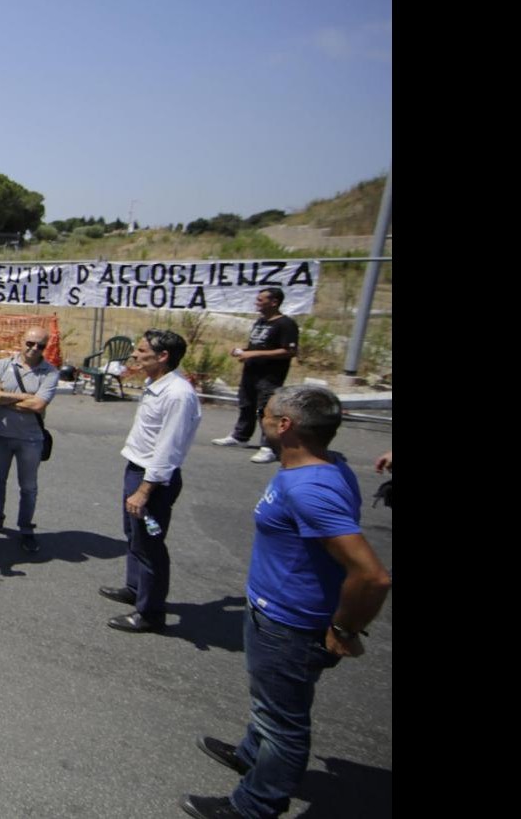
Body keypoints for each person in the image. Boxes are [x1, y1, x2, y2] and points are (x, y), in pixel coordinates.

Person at [181, 386, 391, 819]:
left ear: (284, 425)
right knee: (269, 704)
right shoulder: (322, 466)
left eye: (265, 413)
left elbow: (372, 575)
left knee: (284, 724)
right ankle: (251, 753)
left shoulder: (311, 488)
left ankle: (255, 806)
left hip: (289, 624)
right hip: (272, 610)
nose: (260, 418)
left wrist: (343, 631)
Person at [99, 329, 202, 633]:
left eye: (142, 351)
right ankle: (134, 588)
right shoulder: (155, 383)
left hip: (152, 479)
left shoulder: (178, 395)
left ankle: (151, 612)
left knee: (150, 545)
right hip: (137, 469)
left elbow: (168, 448)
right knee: (133, 536)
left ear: (163, 356)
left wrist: (144, 490)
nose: (134, 355)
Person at [0, 328, 58, 553]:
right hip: (1, 435)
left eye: (40, 346)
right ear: (21, 341)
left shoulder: (50, 373)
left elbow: (38, 405)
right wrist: (25, 397)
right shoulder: (3, 364)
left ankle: (26, 529)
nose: (34, 349)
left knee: (28, 487)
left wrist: (6, 399)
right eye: (30, 343)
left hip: (31, 439)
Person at [213, 288, 300, 465]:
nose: (257, 303)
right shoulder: (260, 322)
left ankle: (269, 446)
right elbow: (259, 346)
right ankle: (240, 436)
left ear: (274, 302)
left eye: (261, 300)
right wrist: (244, 352)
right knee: (246, 405)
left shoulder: (286, 324)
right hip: (251, 372)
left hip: (270, 376)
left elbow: (289, 351)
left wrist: (254, 355)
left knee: (265, 410)